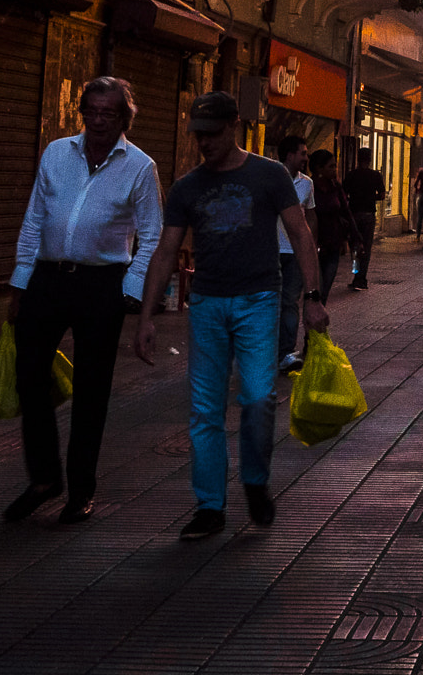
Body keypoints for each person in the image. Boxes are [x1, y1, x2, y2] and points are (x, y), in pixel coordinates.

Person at [135, 92, 328, 540]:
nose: (204, 143)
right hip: (206, 304)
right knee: (205, 410)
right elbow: (165, 251)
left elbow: (300, 233)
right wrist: (146, 316)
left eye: (212, 134)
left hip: (259, 300)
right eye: (198, 135)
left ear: (234, 127)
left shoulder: (269, 174)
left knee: (259, 398)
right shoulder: (186, 187)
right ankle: (210, 506)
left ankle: (255, 481)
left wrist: (313, 297)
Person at [1, 75, 163, 526]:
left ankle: (81, 489)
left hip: (102, 285)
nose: (96, 120)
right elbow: (34, 219)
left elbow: (151, 235)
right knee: (29, 376)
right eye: (89, 110)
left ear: (124, 118)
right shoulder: (57, 152)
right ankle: (44, 479)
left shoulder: (139, 166)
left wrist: (130, 292)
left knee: (92, 390)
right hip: (48, 280)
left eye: (107, 112)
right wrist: (20, 284)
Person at [274, 136, 317, 371]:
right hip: (269, 251)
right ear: (290, 155)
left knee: (289, 302)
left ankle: (285, 353)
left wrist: (311, 246)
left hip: (294, 252)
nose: (305, 158)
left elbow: (311, 216)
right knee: (268, 302)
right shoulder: (270, 179)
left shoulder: (307, 184)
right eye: (302, 153)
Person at [309, 151, 356, 301]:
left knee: (325, 289)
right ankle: (313, 320)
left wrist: (355, 238)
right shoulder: (309, 187)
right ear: (319, 169)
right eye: (331, 167)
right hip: (314, 246)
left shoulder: (335, 187)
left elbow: (346, 211)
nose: (334, 170)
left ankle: (317, 322)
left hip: (333, 244)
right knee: (315, 289)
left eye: (335, 166)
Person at [344, 146, 384, 290]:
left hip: (353, 215)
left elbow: (344, 195)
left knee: (355, 247)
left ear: (358, 158)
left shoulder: (351, 175)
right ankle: (362, 279)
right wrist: (371, 197)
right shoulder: (375, 175)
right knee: (366, 248)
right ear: (370, 159)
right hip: (368, 214)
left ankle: (356, 276)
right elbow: (382, 195)